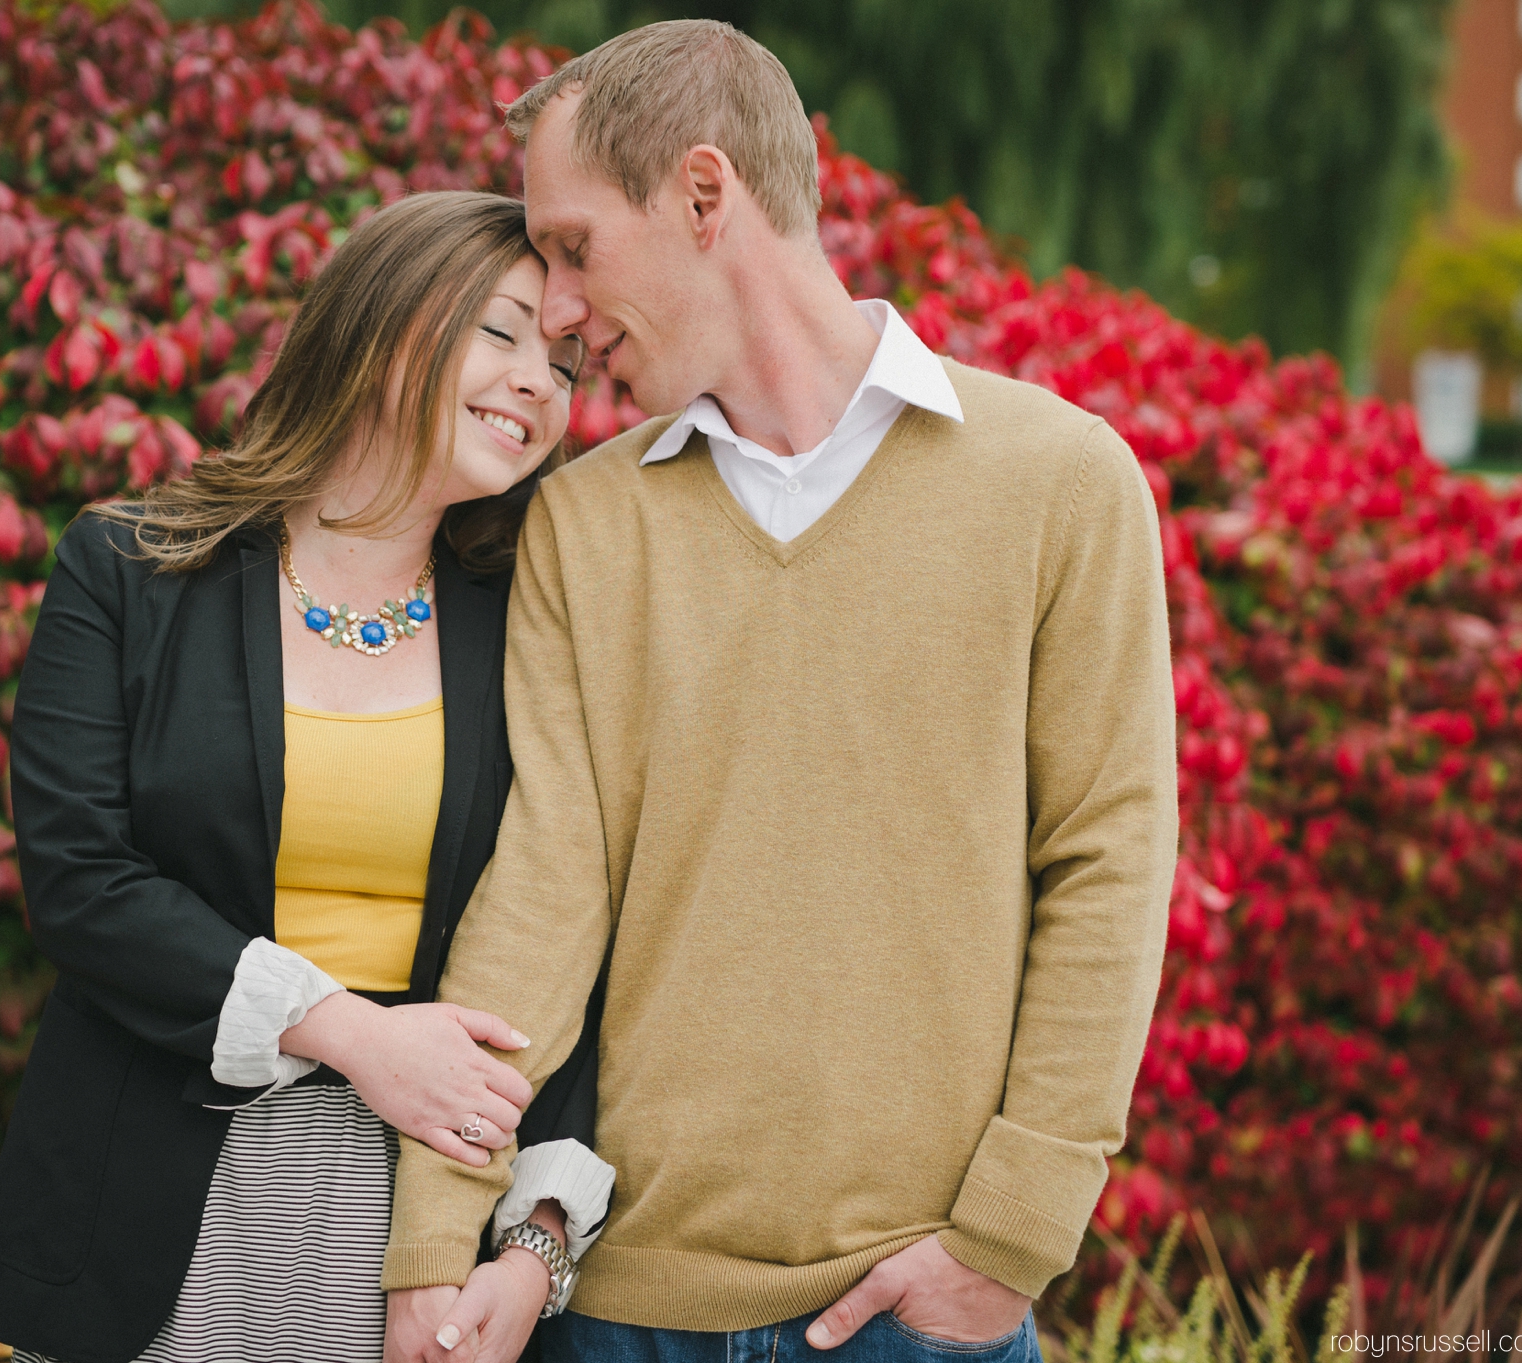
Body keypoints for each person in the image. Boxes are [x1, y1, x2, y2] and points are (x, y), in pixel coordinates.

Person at [381, 22, 1178, 1363]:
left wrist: (1006, 1241)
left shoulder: (1061, 481)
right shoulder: (586, 522)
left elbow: (1107, 862)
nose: (559, 312)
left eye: (576, 248)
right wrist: (432, 1236)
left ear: (704, 195)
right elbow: (546, 892)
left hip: (920, 1316)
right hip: (622, 1308)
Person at [0, 191, 615, 1363]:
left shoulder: (532, 614)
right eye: (504, 332)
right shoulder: (127, 567)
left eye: (565, 363)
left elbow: (572, 925)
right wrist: (354, 1033)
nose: (539, 382)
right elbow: (80, 882)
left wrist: (537, 1241)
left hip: (418, 1209)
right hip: (142, 1192)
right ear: (384, 323)